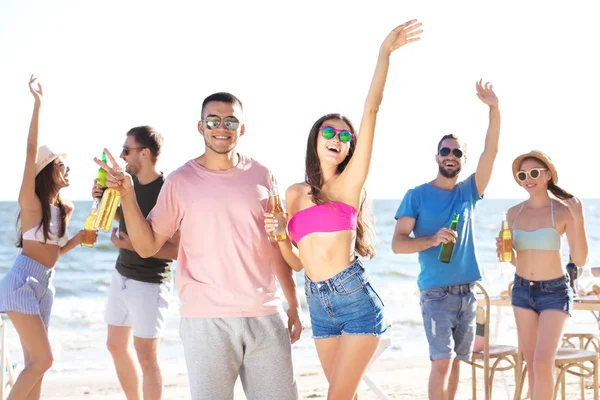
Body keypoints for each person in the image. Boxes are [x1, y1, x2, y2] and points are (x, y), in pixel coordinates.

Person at [94, 92, 301, 400]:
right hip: (206, 321)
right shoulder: (180, 182)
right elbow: (148, 245)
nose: (222, 127)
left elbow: (274, 245)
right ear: (201, 127)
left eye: (230, 120)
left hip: (265, 314)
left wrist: (293, 302)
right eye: (213, 120)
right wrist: (126, 193)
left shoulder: (263, 175)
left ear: (241, 128)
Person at [263, 19, 422, 399]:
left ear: (350, 148)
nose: (338, 138)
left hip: (355, 300)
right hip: (317, 302)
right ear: (315, 140)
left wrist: (384, 53)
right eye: (329, 132)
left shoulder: (349, 186)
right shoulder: (294, 192)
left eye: (344, 136)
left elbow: (371, 110)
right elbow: (297, 262)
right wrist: (280, 232)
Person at [391, 80, 501, 400]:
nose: (451, 156)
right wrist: (432, 239)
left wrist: (494, 109)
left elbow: (491, 152)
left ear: (463, 160)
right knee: (442, 362)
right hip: (436, 294)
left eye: (457, 152)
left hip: (468, 294)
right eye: (445, 151)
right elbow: (398, 244)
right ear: (437, 156)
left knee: (457, 366)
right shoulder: (417, 195)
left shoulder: (468, 192)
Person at [0, 75, 91, 400]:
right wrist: (38, 105)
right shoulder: (31, 203)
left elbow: (52, 254)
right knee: (44, 360)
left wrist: (79, 238)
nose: (68, 170)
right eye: (62, 165)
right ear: (47, 170)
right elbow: (28, 153)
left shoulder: (61, 208)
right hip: (22, 282)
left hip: (43, 283)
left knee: (33, 365)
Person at [90, 126, 179, 400]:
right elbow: (132, 223)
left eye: (126, 150)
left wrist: (136, 247)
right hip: (122, 275)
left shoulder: (167, 191)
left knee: (147, 358)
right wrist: (103, 200)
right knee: (115, 345)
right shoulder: (131, 186)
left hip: (150, 284)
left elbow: (176, 251)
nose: (122, 155)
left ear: (145, 153)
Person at [496, 150, 587, 399]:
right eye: (522, 174)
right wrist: (503, 252)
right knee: (532, 364)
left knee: (542, 363)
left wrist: (578, 220)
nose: (528, 178)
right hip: (522, 290)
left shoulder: (563, 211)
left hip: (554, 292)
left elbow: (579, 260)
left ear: (547, 175)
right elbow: (515, 259)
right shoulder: (513, 213)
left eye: (534, 172)